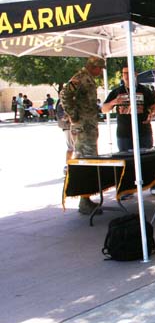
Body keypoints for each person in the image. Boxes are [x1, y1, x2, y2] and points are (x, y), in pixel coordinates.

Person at [60, 57, 105, 215]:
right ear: (94, 67)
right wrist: (73, 115)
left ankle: (86, 198)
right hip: (83, 128)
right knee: (85, 162)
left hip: (89, 127)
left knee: (90, 161)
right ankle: (83, 201)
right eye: (100, 68)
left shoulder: (89, 79)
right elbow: (64, 94)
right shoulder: (80, 78)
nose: (101, 72)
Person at [101, 66, 155, 151]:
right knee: (127, 161)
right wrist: (113, 102)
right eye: (124, 73)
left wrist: (152, 114)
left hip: (143, 132)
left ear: (135, 74)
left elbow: (154, 106)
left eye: (129, 73)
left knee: (146, 159)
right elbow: (104, 109)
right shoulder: (117, 92)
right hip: (124, 134)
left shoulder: (145, 90)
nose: (127, 76)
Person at [55, 98, 73, 174]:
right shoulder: (63, 100)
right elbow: (62, 115)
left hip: (74, 126)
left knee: (74, 147)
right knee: (71, 147)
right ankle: (68, 166)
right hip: (68, 127)